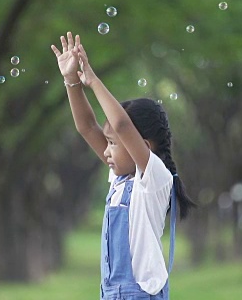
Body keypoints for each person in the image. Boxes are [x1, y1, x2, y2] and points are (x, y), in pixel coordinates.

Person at [51, 32, 195, 300]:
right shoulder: (121, 179)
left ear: (144, 145)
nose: (106, 151)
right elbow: (86, 127)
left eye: (114, 144)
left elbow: (120, 125)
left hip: (139, 294)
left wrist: (93, 81)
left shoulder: (153, 178)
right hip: (112, 293)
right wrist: (71, 81)